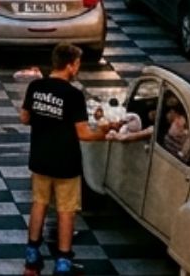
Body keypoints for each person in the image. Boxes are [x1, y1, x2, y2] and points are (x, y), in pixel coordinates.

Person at [19, 43, 145, 276]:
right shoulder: (73, 95)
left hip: (39, 158)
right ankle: (63, 261)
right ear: (70, 65)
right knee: (66, 211)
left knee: (39, 204)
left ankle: (32, 255)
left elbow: (25, 118)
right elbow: (83, 133)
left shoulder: (36, 87)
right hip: (66, 163)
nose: (77, 68)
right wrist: (105, 133)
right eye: (77, 64)